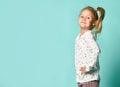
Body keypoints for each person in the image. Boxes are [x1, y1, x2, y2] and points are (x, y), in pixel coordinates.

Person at [75, 6, 105, 87]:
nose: (84, 19)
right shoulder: (79, 37)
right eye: (82, 16)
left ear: (94, 22)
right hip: (82, 78)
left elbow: (96, 51)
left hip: (90, 79)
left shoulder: (88, 36)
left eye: (88, 18)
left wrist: (88, 67)